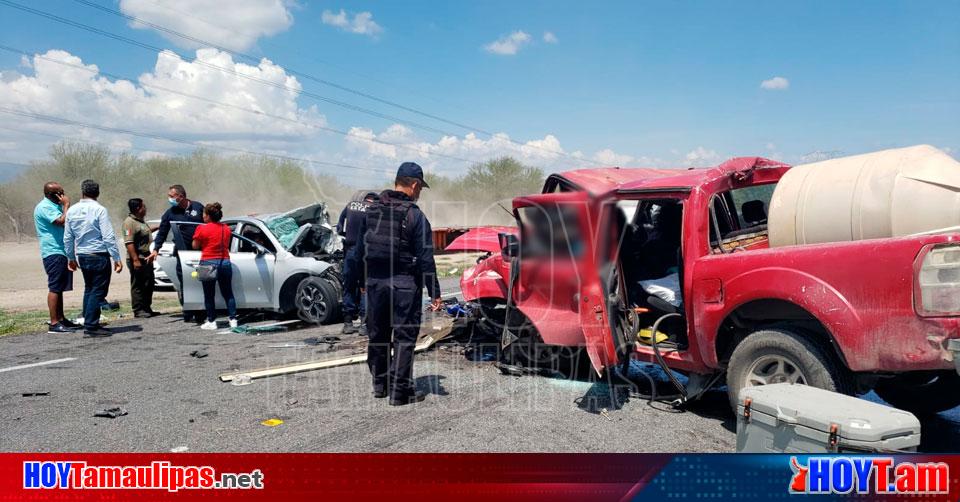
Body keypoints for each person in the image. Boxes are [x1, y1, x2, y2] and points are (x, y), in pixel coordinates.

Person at [357, 162, 443, 406]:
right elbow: (426, 258)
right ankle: (400, 393)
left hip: (375, 283)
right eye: (420, 189)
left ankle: (380, 385)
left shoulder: (371, 211)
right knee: (404, 338)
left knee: (378, 335)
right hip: (404, 284)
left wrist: (360, 283)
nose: (419, 194)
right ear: (414, 185)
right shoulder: (415, 215)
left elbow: (359, 251)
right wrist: (435, 292)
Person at [63, 179, 123, 337]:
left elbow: (68, 238)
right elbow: (108, 236)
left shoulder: (72, 210)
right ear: (98, 193)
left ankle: (87, 319)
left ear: (82, 192)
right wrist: (116, 257)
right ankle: (91, 325)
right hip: (98, 254)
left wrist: (70, 256)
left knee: (89, 288)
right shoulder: (100, 210)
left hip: (82, 255)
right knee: (98, 290)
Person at [148, 184, 203, 322]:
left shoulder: (198, 207)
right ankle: (188, 311)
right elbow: (162, 232)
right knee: (185, 283)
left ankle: (202, 312)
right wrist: (156, 249)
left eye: (172, 196)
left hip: (200, 253)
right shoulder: (170, 213)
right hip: (182, 254)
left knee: (201, 281)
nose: (169, 199)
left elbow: (211, 224)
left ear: (181, 196)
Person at [33, 182, 81, 333]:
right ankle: (54, 323)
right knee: (54, 287)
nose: (62, 195)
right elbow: (61, 221)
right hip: (53, 251)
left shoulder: (54, 206)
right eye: (59, 193)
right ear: (51, 194)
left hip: (62, 250)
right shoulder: (44, 207)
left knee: (60, 287)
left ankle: (61, 319)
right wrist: (66, 205)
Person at [191, 202, 237, 331]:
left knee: (209, 294)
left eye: (204, 214)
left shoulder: (201, 228)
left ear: (208, 216)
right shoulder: (226, 228)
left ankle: (211, 321)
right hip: (225, 262)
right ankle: (233, 319)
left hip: (207, 262)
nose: (202, 216)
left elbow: (195, 245)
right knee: (228, 293)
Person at [337, 190, 377, 335]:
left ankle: (348, 323)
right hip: (366, 253)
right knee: (365, 287)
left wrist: (349, 236)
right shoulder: (374, 209)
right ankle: (364, 325)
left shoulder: (350, 206)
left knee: (349, 285)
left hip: (349, 251)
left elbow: (339, 229)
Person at [123, 198, 159, 318]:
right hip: (137, 257)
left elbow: (146, 231)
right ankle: (138, 310)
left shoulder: (141, 222)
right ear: (138, 208)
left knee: (148, 283)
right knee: (138, 284)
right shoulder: (129, 223)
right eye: (144, 207)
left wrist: (161, 226)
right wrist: (135, 260)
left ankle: (147, 307)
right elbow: (129, 242)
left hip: (146, 257)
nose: (146, 209)